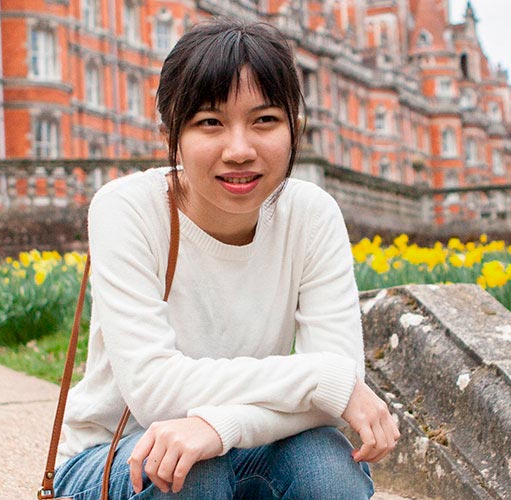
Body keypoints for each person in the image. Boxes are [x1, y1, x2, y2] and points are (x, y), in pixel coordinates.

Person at [50, 18, 401, 500]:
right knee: (189, 473)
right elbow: (155, 390)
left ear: (294, 127)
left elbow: (333, 405)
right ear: (169, 129)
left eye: (264, 121)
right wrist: (322, 376)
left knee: (327, 467)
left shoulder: (311, 214)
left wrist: (222, 427)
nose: (240, 150)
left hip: (245, 441)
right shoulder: (126, 208)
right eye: (210, 123)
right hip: (114, 453)